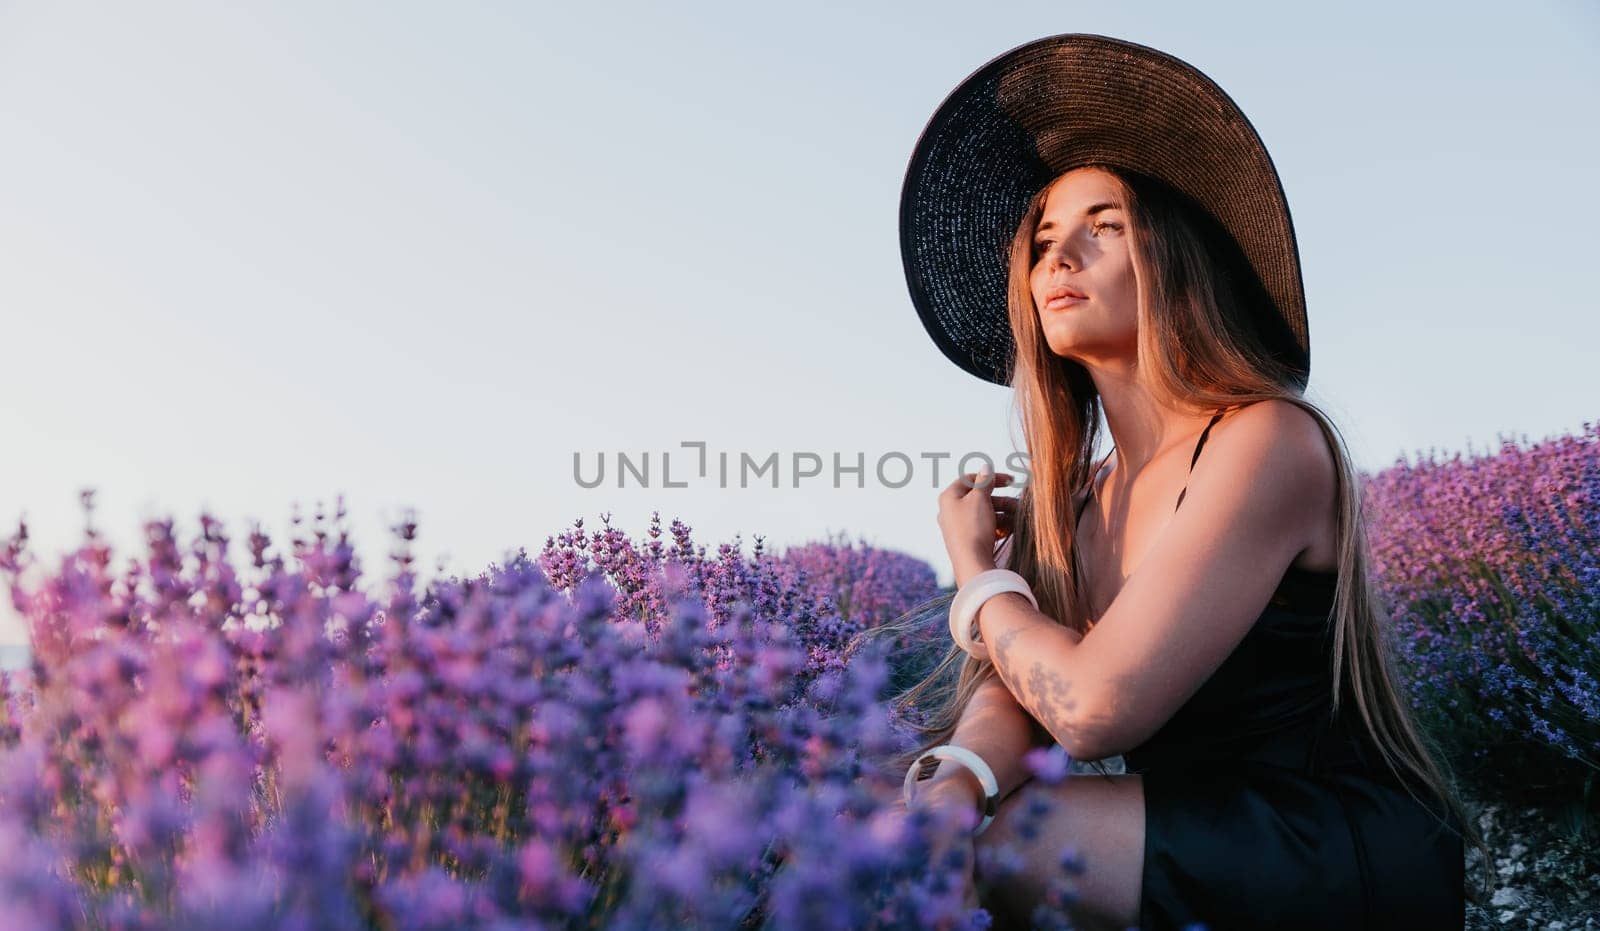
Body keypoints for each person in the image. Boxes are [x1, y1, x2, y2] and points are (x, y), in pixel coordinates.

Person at [863, 33, 1490, 930]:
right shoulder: (1076, 497)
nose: (1059, 258)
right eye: (1042, 240)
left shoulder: (1266, 441)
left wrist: (976, 577)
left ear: (1173, 257)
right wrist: (952, 784)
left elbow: (1089, 707)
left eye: (1102, 227)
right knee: (881, 829)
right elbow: (1013, 691)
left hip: (1331, 840)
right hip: (1189, 826)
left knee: (1018, 842)